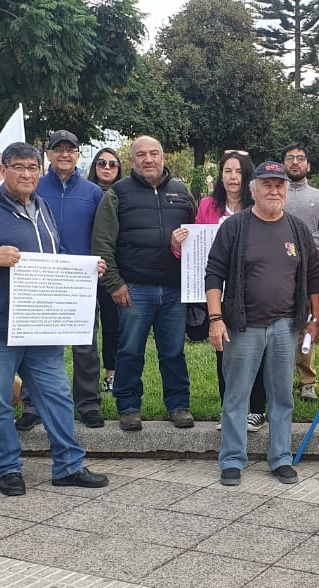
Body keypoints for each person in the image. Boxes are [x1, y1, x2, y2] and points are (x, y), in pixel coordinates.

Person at [0, 142, 109, 496]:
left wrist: (83, 268)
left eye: (32, 168)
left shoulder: (42, 207)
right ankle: (7, 468)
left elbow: (57, 253)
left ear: (40, 170)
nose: (26, 174)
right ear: (3, 169)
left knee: (57, 394)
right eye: (18, 167)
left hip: (40, 324)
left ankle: (68, 465)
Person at [204, 160, 319, 486]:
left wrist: (314, 319)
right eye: (267, 184)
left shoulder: (297, 229)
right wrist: (216, 319)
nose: (274, 190)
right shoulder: (235, 227)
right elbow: (213, 273)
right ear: (253, 189)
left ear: (286, 190)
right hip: (243, 326)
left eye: (279, 185)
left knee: (282, 397)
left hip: (286, 327)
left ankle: (280, 458)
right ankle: (231, 459)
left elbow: (313, 276)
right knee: (237, 395)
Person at [92, 136, 198, 432]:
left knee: (174, 351)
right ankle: (128, 407)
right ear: (132, 161)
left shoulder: (180, 192)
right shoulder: (117, 194)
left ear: (163, 157)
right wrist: (114, 284)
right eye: (141, 155)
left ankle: (179, 405)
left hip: (175, 290)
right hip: (134, 288)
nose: (148, 159)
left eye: (154, 153)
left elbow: (198, 234)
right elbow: (102, 242)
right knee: (129, 350)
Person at [171, 151, 268, 432]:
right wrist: (179, 246)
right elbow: (197, 251)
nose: (233, 177)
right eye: (227, 171)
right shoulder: (207, 206)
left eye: (238, 171)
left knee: (255, 350)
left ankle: (257, 410)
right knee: (223, 350)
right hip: (218, 292)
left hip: (252, 290)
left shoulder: (257, 205)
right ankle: (229, 410)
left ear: (247, 176)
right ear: (220, 175)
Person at [16, 130, 107, 430]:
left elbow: (102, 235)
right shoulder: (35, 187)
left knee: (85, 345)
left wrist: (100, 261)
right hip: (42, 278)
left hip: (80, 280)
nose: (65, 154)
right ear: (49, 155)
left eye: (71, 149)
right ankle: (32, 405)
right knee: (37, 345)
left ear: (78, 155)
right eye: (59, 149)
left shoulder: (94, 193)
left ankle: (89, 403)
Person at [280, 143, 319, 403]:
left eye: (300, 159)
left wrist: (292, 248)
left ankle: (307, 381)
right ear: (283, 164)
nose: (295, 162)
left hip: (308, 272)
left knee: (306, 324)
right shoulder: (274, 194)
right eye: (290, 158)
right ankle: (277, 377)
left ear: (308, 166)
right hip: (275, 272)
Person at [87, 147, 122, 394]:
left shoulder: (125, 194)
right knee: (85, 328)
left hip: (111, 268)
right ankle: (86, 381)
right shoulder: (85, 192)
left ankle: (112, 374)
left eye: (112, 164)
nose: (107, 167)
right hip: (84, 267)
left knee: (112, 325)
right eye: (102, 163)